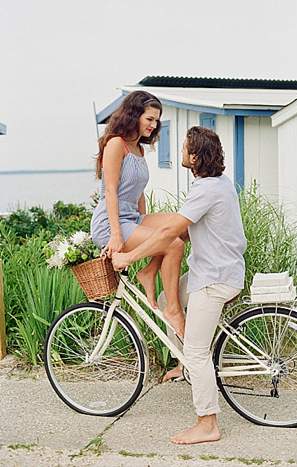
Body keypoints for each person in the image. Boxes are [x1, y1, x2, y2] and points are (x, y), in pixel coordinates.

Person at [112, 126, 247, 445]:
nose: (181, 152)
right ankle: (181, 365)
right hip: (217, 271)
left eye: (185, 148)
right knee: (166, 297)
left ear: (195, 156)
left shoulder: (206, 190)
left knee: (198, 353)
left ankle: (207, 423)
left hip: (214, 279)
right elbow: (189, 229)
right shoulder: (217, 184)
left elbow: (168, 234)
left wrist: (129, 257)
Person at [90, 91, 186, 337]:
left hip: (132, 218)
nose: (154, 126)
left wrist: (148, 226)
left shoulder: (139, 150)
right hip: (110, 223)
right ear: (134, 115)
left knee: (182, 226)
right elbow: (110, 191)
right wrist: (115, 235)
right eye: (150, 119)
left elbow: (138, 192)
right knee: (173, 245)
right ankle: (173, 309)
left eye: (157, 121)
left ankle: (149, 271)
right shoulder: (116, 144)